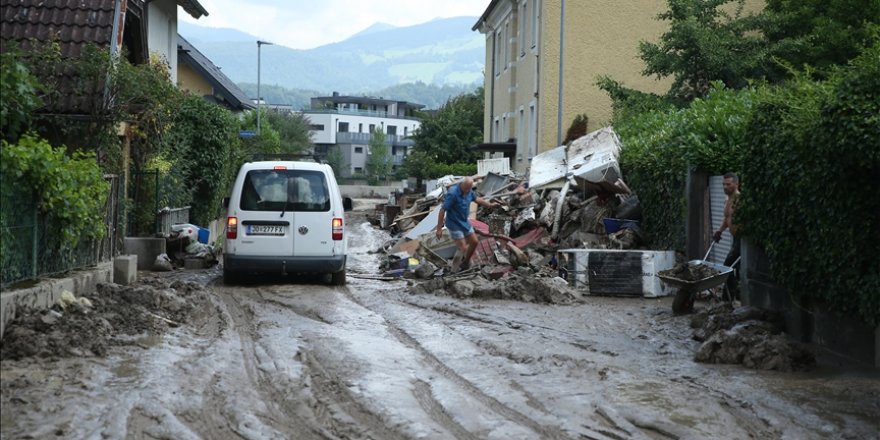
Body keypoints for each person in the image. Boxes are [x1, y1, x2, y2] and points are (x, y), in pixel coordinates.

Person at [435, 176, 498, 271]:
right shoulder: (453, 194)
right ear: (461, 185)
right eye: (466, 188)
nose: (467, 191)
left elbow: (477, 200)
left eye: (469, 189)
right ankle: (455, 269)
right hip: (454, 224)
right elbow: (442, 210)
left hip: (464, 222)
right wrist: (439, 229)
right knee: (463, 247)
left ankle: (465, 263)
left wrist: (490, 205)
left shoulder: (469, 192)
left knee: (474, 242)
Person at [713, 172, 741, 301]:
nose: (725, 187)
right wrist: (719, 230)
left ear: (736, 184)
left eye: (728, 184)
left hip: (741, 240)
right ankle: (732, 297)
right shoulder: (727, 199)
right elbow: (727, 218)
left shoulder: (739, 200)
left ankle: (728, 299)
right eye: (723, 184)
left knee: (726, 268)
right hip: (735, 240)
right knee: (733, 269)